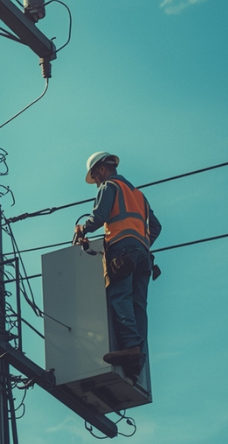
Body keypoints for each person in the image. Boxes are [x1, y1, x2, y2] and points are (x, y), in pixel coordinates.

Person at [74, 151, 162, 376]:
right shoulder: (139, 195)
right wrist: (141, 242)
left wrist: (83, 229)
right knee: (138, 305)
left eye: (95, 177)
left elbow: (100, 216)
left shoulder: (109, 187)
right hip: (143, 255)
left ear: (101, 170)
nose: (96, 183)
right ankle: (138, 355)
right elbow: (156, 227)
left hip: (122, 250)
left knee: (120, 296)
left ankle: (131, 346)